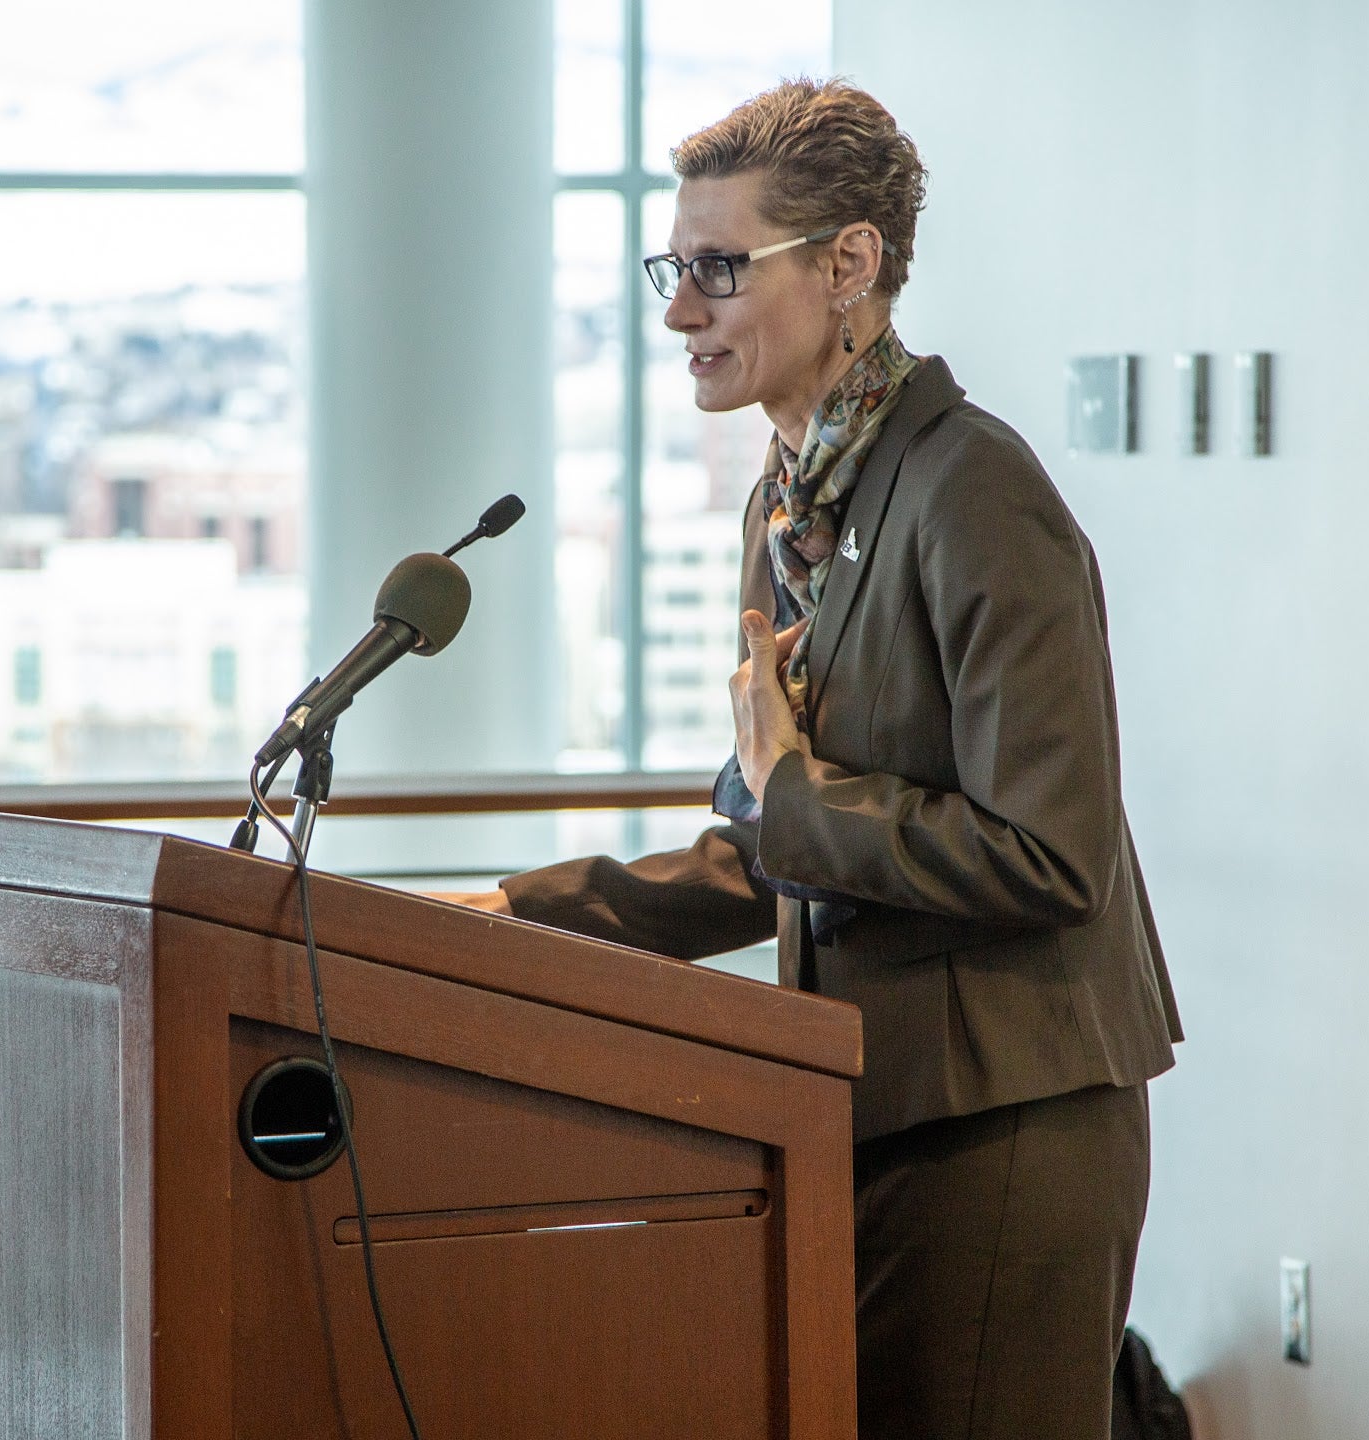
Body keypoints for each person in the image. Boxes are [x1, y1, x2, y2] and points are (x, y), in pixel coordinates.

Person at [460, 79, 1181, 1438]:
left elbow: (1048, 851)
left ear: (851, 265)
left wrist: (793, 796)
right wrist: (516, 922)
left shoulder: (974, 488)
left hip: (1004, 1127)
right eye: (676, 269)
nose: (681, 311)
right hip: (864, 1108)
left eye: (720, 270)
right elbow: (779, 850)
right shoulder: (787, 500)